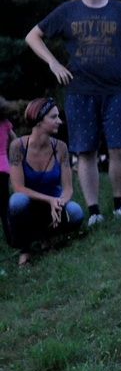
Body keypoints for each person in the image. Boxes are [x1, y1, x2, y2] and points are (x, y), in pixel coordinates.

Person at [25, 0, 121, 226]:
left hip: (116, 90)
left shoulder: (120, 10)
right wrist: (53, 63)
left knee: (119, 147)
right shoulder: (67, 11)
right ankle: (94, 211)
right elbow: (32, 36)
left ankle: (120, 204)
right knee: (86, 152)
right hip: (79, 91)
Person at [7, 98, 84, 267]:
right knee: (17, 201)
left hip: (53, 207)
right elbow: (18, 188)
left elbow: (68, 188)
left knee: (76, 212)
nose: (59, 121)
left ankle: (46, 235)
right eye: (54, 117)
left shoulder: (61, 147)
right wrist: (48, 200)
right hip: (30, 206)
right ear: (39, 120)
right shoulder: (17, 147)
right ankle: (24, 251)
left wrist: (59, 202)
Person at [0, 96, 17, 245]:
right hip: (4, 168)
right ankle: (11, 238)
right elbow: (15, 140)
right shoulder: (5, 124)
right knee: (4, 206)